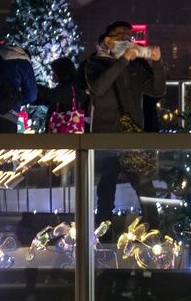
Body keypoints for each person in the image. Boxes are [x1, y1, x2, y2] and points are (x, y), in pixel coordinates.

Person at [85, 21, 165, 226]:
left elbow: (158, 91)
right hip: (106, 140)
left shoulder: (135, 66)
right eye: (120, 36)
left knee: (145, 188)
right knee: (106, 191)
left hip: (133, 139)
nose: (126, 40)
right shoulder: (96, 63)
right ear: (108, 41)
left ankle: (154, 233)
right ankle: (102, 238)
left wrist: (156, 63)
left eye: (129, 36)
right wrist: (122, 61)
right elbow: (99, 87)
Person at [37, 57, 89, 132]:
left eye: (54, 71)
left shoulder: (70, 88)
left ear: (61, 72)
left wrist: (32, 86)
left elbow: (52, 96)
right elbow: (51, 99)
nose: (52, 74)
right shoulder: (67, 87)